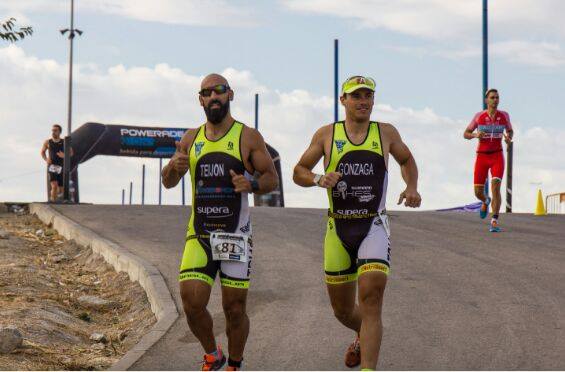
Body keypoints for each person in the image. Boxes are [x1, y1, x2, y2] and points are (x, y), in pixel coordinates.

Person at [293, 76, 421, 370]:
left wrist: (411, 186)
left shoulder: (385, 133)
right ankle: (361, 335)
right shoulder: (327, 134)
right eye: (356, 96)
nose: (364, 101)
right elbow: (299, 170)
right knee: (341, 310)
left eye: (368, 96)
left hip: (373, 226)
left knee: (371, 298)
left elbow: (406, 159)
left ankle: (368, 368)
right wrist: (318, 179)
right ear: (343, 101)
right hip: (338, 229)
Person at [162, 74, 279, 371]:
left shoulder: (248, 137)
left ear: (230, 95)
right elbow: (169, 183)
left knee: (234, 309)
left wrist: (250, 184)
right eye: (208, 92)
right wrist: (172, 168)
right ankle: (213, 354)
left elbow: (270, 179)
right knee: (191, 302)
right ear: (200, 99)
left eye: (220, 91)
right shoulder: (191, 139)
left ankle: (234, 364)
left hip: (234, 236)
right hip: (199, 234)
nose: (214, 96)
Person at [464, 89, 513, 232]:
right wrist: (475, 135)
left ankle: (494, 221)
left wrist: (509, 137)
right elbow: (465, 133)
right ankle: (485, 201)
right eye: (492, 97)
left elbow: (510, 130)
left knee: (495, 186)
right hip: (482, 156)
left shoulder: (504, 115)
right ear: (487, 100)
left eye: (497, 97)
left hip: (497, 155)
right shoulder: (479, 116)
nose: (495, 100)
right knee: (477, 192)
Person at [40, 124, 65, 202]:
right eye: (52, 130)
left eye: (55, 130)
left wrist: (64, 155)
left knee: (61, 189)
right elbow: (42, 152)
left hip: (61, 166)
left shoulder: (64, 142)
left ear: (59, 132)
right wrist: (46, 159)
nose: (53, 132)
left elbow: (71, 153)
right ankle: (53, 201)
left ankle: (56, 198)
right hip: (52, 166)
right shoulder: (48, 142)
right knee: (54, 186)